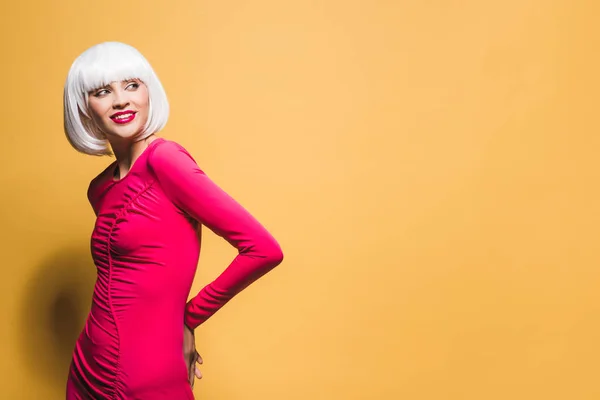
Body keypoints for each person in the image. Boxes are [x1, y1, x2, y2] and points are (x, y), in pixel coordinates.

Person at [63, 41, 284, 399]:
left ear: (149, 92)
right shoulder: (100, 188)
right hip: (87, 367)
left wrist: (188, 318)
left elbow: (263, 249)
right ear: (84, 108)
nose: (121, 100)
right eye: (103, 91)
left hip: (145, 375)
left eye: (132, 85)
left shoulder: (165, 161)